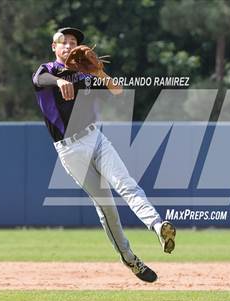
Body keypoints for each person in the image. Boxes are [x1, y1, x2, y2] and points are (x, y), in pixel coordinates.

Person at [32, 27, 176, 282]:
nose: (68, 45)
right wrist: (60, 80)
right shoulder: (47, 71)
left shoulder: (84, 73)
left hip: (95, 138)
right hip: (70, 150)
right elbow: (38, 81)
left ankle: (157, 226)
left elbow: (118, 92)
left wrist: (99, 72)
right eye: (62, 42)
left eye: (72, 41)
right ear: (54, 47)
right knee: (107, 208)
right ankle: (130, 260)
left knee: (127, 184)